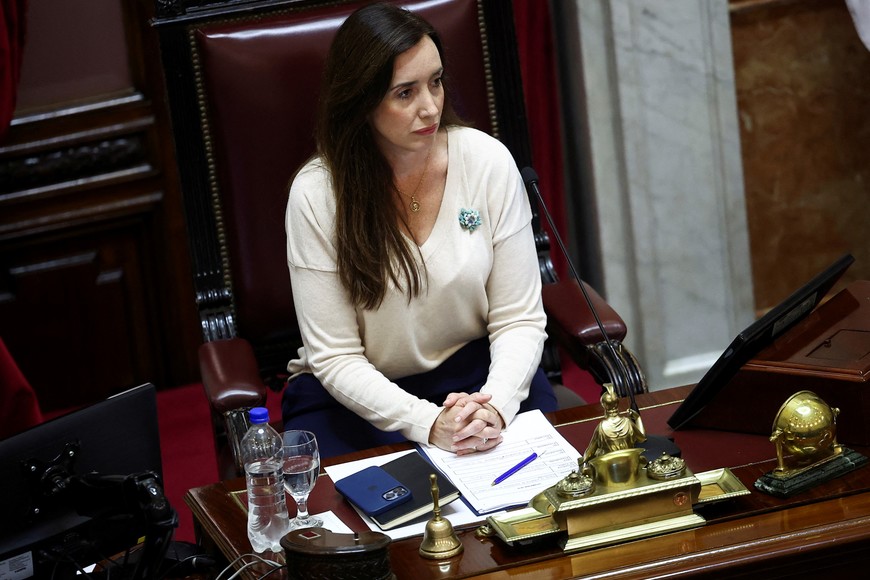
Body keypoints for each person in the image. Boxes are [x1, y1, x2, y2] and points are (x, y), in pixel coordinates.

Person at [282, 2, 556, 459]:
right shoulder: (316, 194)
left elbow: (518, 319)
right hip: (354, 399)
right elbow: (335, 357)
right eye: (404, 93)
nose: (430, 107)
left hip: (482, 381)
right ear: (361, 101)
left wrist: (497, 407)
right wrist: (430, 423)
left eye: (436, 82)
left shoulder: (486, 161)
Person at [580, 384, 646, 463]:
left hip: (611, 469)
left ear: (604, 405)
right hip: (630, 465)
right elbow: (642, 438)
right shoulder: (627, 422)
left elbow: (590, 451)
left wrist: (583, 462)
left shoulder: (602, 427)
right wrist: (638, 418)